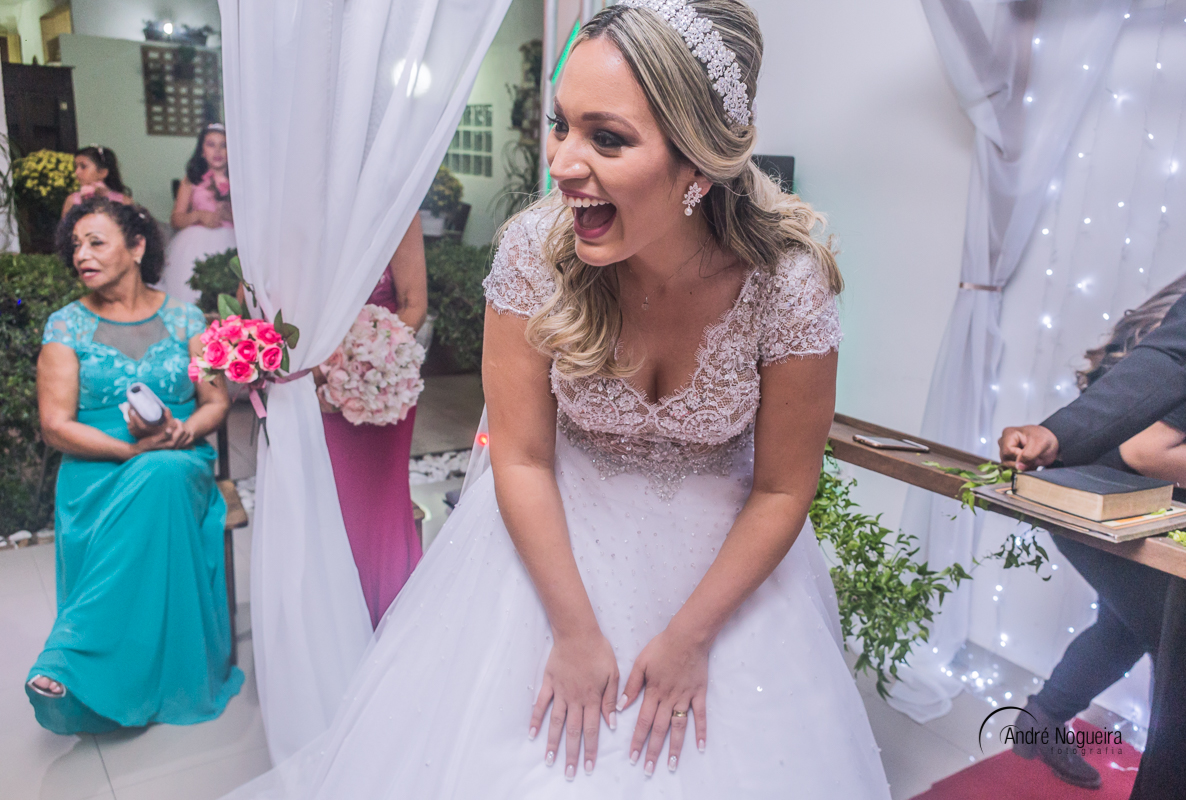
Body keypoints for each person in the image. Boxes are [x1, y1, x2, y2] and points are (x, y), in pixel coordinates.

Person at [223, 2, 890, 798]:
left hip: (722, 574)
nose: (563, 163)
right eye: (560, 125)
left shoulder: (786, 282)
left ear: (699, 163)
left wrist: (689, 638)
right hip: (552, 547)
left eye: (606, 138)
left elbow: (783, 487)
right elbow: (522, 456)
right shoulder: (534, 254)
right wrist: (574, 633)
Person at [26, 196, 243, 735]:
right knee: (155, 474)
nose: (82, 255)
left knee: (164, 474)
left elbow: (215, 400)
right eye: (76, 245)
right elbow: (55, 425)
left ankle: (69, 656)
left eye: (96, 242)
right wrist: (129, 451)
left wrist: (184, 431)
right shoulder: (65, 326)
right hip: (96, 468)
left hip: (180, 457)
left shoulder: (185, 318)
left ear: (137, 246)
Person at [1001, 280, 1186, 798]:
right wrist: (1058, 435)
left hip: (1104, 498)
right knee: (1166, 648)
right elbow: (1146, 450)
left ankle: (1040, 722)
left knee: (1124, 629)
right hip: (1106, 503)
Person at [315, 214, 429, 629]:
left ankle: (388, 620)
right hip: (309, 384)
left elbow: (414, 304)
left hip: (376, 383)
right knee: (323, 504)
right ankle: (328, 626)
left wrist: (362, 361)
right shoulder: (299, 205)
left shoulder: (397, 209)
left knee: (379, 510)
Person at [161, 122, 235, 305]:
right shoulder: (191, 180)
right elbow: (176, 219)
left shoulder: (239, 180)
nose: (217, 151)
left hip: (232, 242)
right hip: (195, 244)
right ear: (202, 151)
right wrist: (198, 215)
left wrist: (230, 215)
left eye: (223, 145)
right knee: (193, 291)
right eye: (211, 144)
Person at [61, 145, 131, 219]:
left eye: (83, 167)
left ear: (102, 172)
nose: (77, 172)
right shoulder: (72, 200)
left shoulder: (123, 201)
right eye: (76, 167)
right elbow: (65, 225)